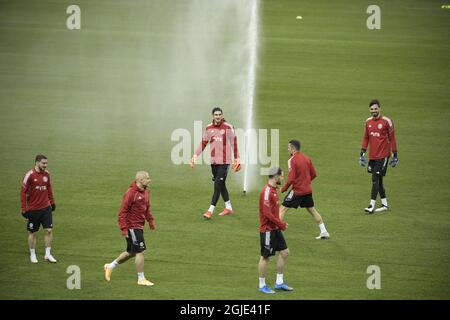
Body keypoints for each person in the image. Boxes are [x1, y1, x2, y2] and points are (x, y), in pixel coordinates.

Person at [104, 171, 155, 286]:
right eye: (147, 178)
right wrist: (124, 229)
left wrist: (150, 220)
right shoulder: (130, 193)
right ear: (140, 180)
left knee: (131, 252)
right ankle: (141, 279)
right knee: (140, 251)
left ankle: (110, 266)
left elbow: (147, 208)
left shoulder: (147, 191)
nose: (149, 180)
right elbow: (122, 212)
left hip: (139, 226)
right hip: (132, 227)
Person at [190, 106, 241, 219]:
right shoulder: (209, 128)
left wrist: (237, 158)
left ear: (222, 116)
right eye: (216, 115)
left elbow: (234, 143)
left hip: (225, 161)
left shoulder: (228, 127)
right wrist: (195, 155)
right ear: (213, 116)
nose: (218, 116)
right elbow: (203, 143)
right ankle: (228, 207)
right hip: (213, 162)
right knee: (221, 184)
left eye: (219, 114)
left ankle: (210, 210)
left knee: (217, 185)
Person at [279, 140, 330, 240]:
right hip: (307, 190)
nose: (287, 149)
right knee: (312, 210)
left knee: (282, 209)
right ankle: (324, 231)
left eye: (288, 147)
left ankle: (275, 233)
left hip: (297, 191)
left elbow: (291, 178)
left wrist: (283, 189)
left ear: (293, 149)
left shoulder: (292, 160)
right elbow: (314, 174)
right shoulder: (307, 158)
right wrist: (306, 181)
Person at [359, 99, 398, 213]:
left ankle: (371, 205)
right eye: (371, 109)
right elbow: (366, 138)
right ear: (369, 110)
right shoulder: (368, 122)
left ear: (379, 109)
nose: (374, 111)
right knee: (379, 180)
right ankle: (385, 204)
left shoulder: (387, 121)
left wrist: (395, 154)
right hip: (373, 156)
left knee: (375, 178)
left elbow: (392, 138)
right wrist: (362, 153)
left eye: (375, 109)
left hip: (383, 156)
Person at [258, 167, 293, 294]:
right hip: (267, 230)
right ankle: (262, 285)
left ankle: (279, 282)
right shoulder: (267, 192)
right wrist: (281, 224)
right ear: (276, 176)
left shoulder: (273, 190)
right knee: (265, 257)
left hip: (275, 228)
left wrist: (279, 225)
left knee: (285, 252)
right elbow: (267, 214)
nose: (282, 178)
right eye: (282, 176)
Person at [20, 155, 57, 263]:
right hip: (33, 209)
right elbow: (23, 193)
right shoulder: (29, 175)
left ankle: (48, 254)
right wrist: (24, 209)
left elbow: (49, 187)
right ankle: (32, 254)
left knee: (49, 230)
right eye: (43, 163)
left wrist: (52, 202)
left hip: (46, 208)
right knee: (33, 232)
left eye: (46, 163)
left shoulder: (47, 174)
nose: (45, 165)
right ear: (37, 163)